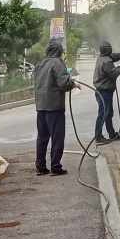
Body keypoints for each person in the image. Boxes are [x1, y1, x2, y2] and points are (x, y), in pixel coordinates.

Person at [33, 39, 75, 176]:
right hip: (54, 107)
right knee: (57, 138)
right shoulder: (58, 63)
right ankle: (55, 167)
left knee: (42, 137)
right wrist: (72, 82)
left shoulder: (40, 64)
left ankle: (40, 167)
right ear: (59, 51)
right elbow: (64, 83)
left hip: (41, 107)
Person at [92, 41, 120, 144]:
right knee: (103, 114)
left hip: (103, 91)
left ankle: (111, 134)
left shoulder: (102, 57)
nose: (111, 49)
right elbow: (114, 74)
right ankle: (98, 137)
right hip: (104, 92)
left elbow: (113, 56)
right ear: (107, 50)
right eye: (109, 48)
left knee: (108, 113)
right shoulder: (107, 62)